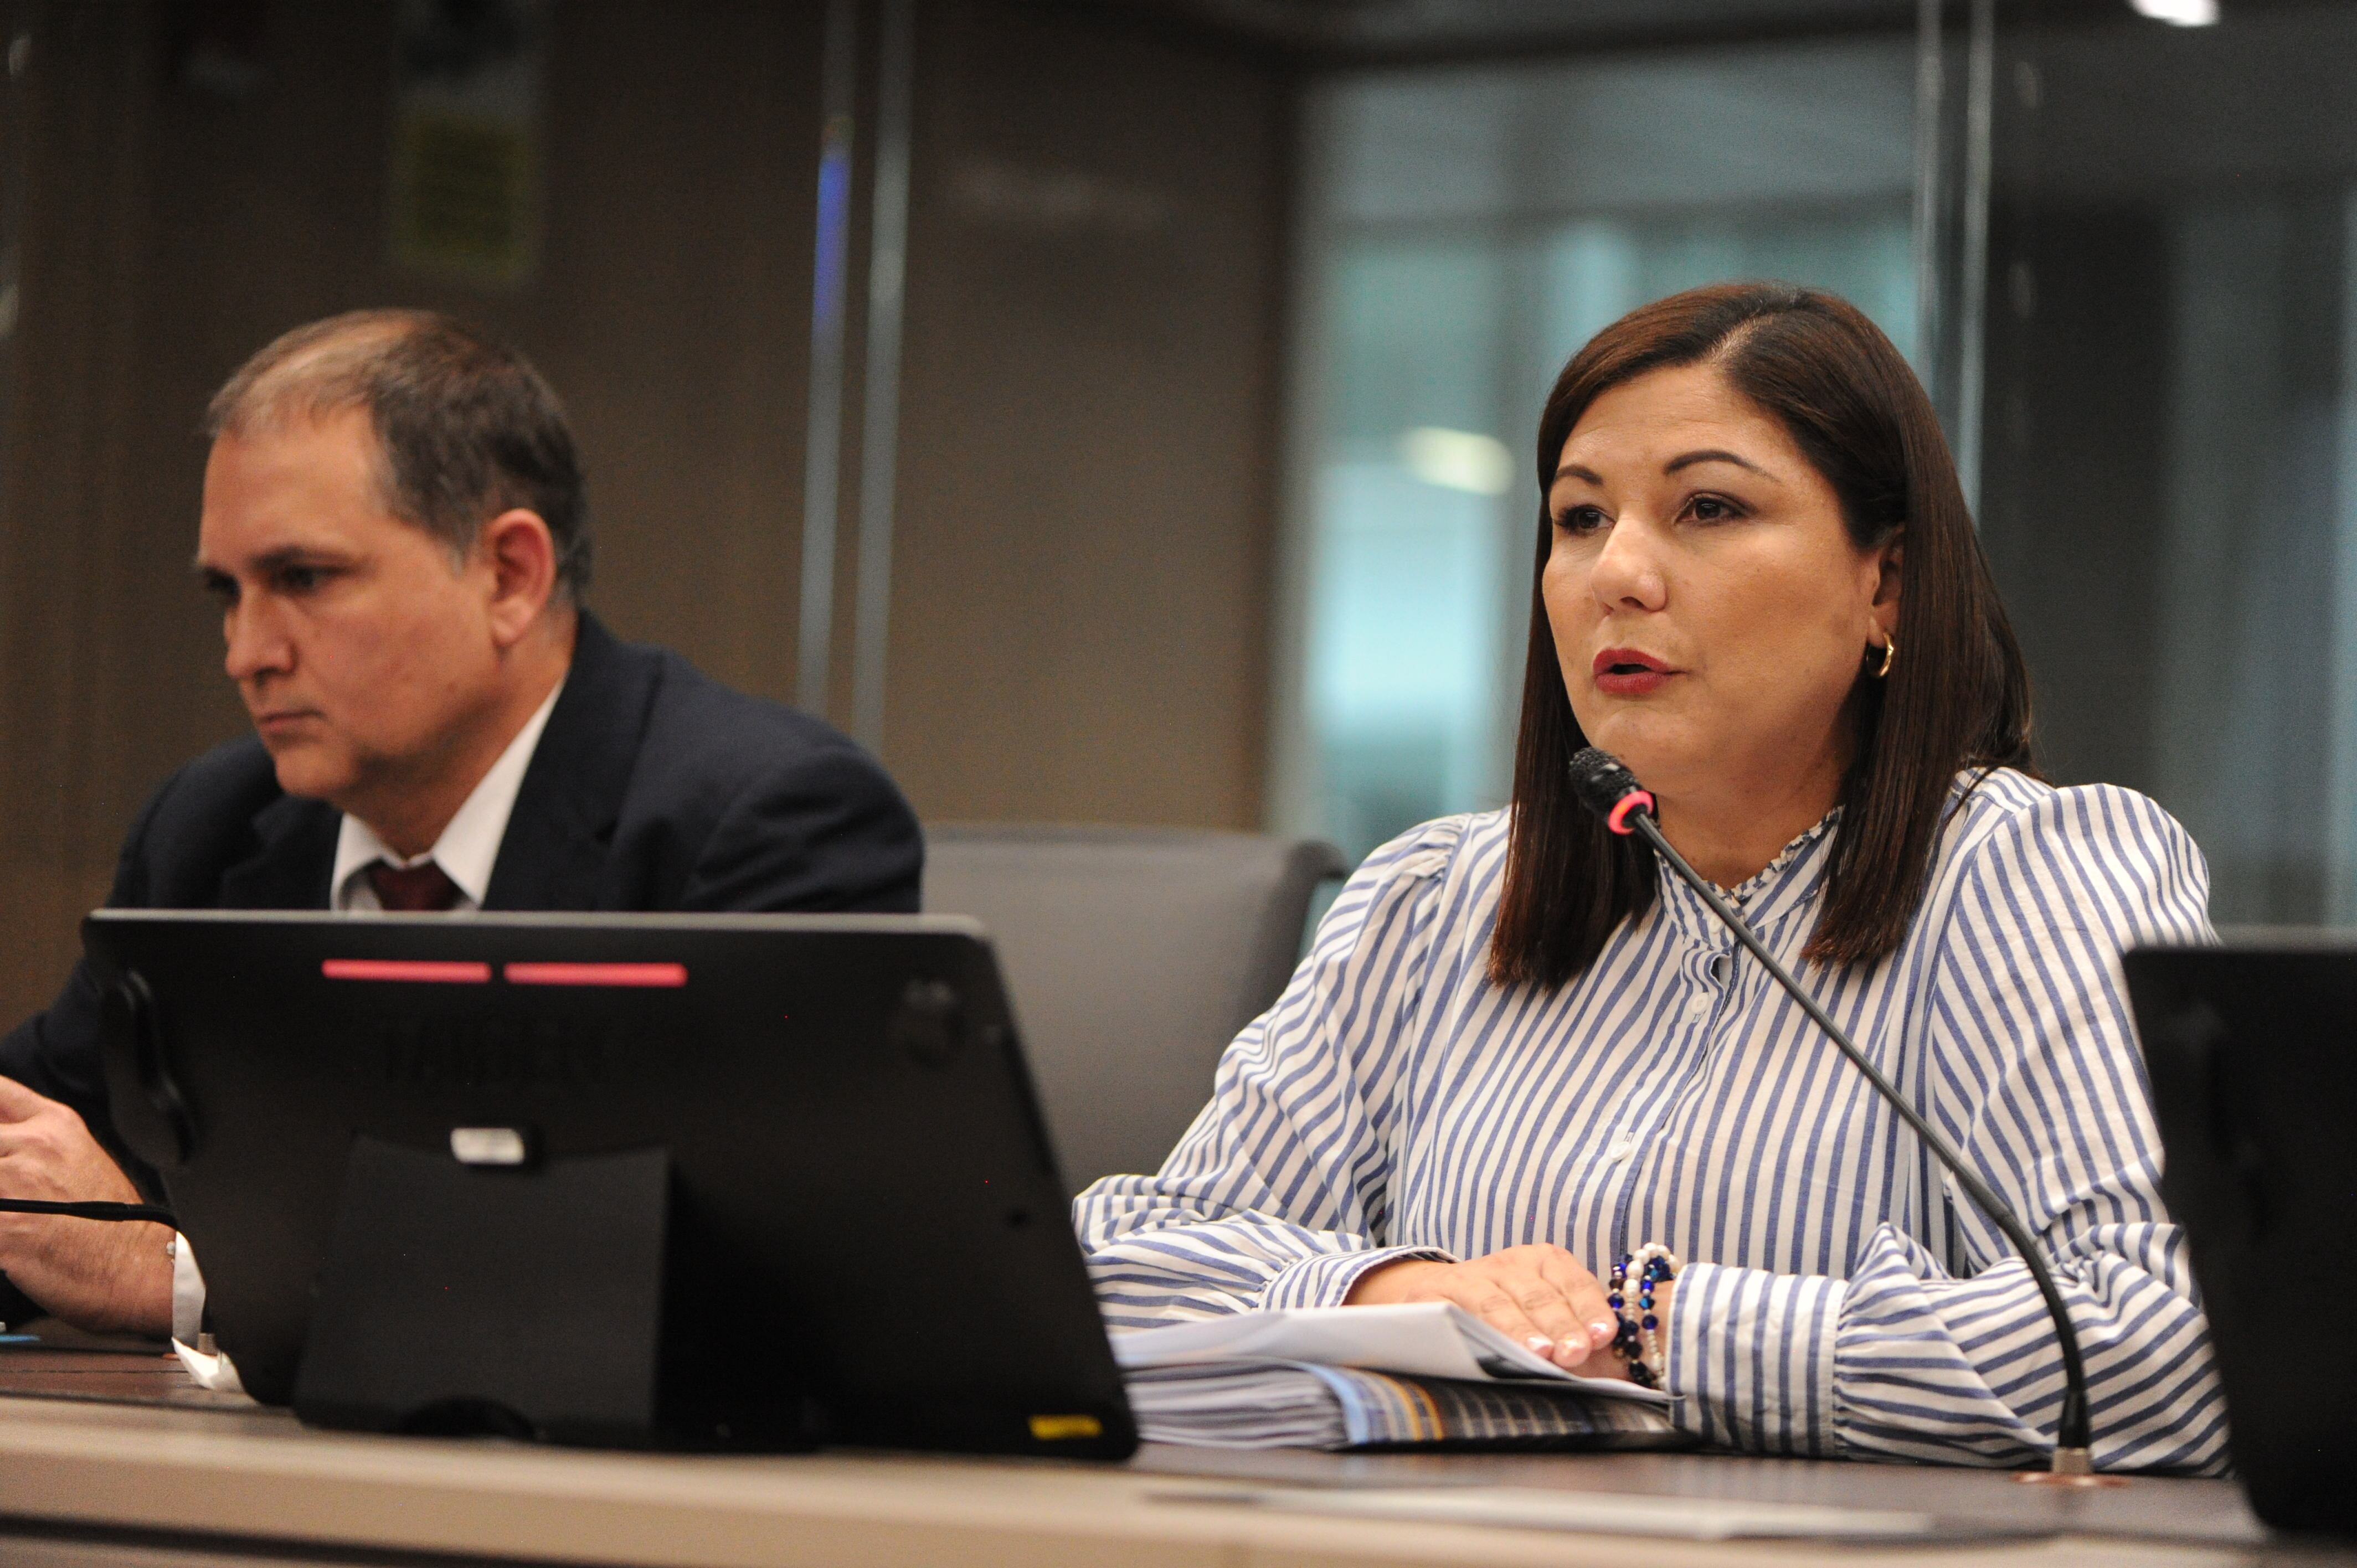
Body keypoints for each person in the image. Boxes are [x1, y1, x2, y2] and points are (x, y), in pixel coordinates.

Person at [1077, 282, 2224, 1472]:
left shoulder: (2030, 875)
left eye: (1709, 508)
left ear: (1884, 582)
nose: (1616, 573)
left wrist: (1662, 1329)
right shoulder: (1435, 899)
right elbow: (1119, 1259)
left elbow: (2167, 1347)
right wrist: (1395, 1291)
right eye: (1579, 518)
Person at [0, 310, 923, 1340]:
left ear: (508, 576)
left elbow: (741, 1297)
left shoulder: (763, 825)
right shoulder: (212, 829)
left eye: (303, 580)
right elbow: (38, 1163)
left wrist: (179, 1276)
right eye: (229, 592)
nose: (246, 653)